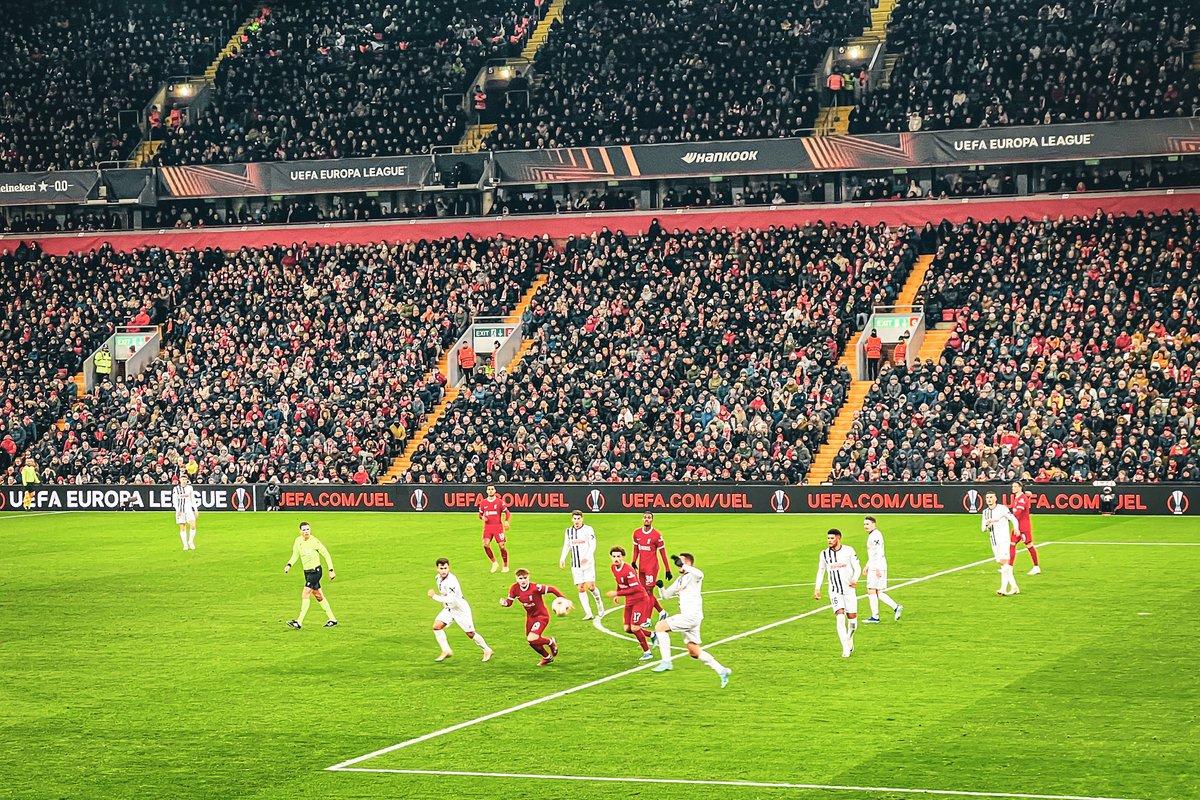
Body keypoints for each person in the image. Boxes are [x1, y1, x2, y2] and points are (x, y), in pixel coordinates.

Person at [652, 553, 731, 687]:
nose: (677, 564)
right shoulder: (680, 580)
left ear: (687, 563)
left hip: (690, 616)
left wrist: (683, 565)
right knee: (693, 651)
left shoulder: (694, 576)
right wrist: (660, 587)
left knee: (660, 627)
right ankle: (722, 670)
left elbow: (701, 574)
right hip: (692, 617)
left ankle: (666, 662)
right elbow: (665, 596)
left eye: (680, 562)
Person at [429, 558, 493, 663]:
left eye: (445, 568)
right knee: (436, 627)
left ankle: (487, 649)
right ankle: (446, 650)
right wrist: (443, 601)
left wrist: (434, 596)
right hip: (449, 608)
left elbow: (451, 598)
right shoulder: (438, 578)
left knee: (470, 634)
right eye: (441, 568)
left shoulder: (452, 581)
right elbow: (444, 594)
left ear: (449, 567)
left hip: (460, 610)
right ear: (437, 569)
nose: (444, 570)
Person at [500, 569, 565, 666]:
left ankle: (550, 642)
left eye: (525, 578)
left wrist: (563, 599)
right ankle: (547, 657)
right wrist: (504, 603)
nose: (523, 580)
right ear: (516, 579)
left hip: (541, 616)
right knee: (532, 642)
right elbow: (509, 603)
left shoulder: (535, 588)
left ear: (528, 577)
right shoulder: (514, 588)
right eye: (520, 578)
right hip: (530, 617)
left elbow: (552, 589)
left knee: (532, 638)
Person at [814, 528, 861, 658]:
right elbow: (821, 570)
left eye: (832, 538)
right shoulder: (824, 554)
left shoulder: (849, 550)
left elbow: (857, 567)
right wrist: (817, 588)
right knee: (840, 617)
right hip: (834, 591)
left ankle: (849, 638)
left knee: (852, 623)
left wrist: (855, 579)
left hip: (849, 590)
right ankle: (845, 648)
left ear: (838, 538)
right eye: (828, 538)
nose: (829, 541)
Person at [283, 522, 338, 629]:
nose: (306, 532)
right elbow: (295, 554)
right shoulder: (298, 541)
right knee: (318, 596)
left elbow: (326, 554)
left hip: (316, 572)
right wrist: (289, 565)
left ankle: (298, 622)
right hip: (307, 573)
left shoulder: (315, 541)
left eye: (308, 529)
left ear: (310, 530)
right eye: (304, 530)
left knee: (306, 593)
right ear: (300, 531)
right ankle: (332, 619)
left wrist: (331, 570)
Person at [605, 547, 655, 661]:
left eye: (618, 556)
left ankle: (647, 652)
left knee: (635, 628)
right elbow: (619, 581)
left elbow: (635, 589)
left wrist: (617, 593)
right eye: (614, 557)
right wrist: (618, 594)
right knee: (627, 629)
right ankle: (652, 635)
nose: (616, 559)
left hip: (640, 600)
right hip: (630, 601)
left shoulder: (628, 570)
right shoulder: (613, 567)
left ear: (623, 557)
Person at [559, 509, 603, 620]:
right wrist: (562, 558)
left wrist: (587, 558)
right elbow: (567, 545)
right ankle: (588, 613)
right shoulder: (568, 531)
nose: (577, 521)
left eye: (579, 518)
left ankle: (599, 604)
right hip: (575, 565)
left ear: (582, 519)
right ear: (572, 519)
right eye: (575, 519)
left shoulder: (588, 530)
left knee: (591, 586)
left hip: (588, 564)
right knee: (581, 588)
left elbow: (593, 545)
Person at [632, 511, 672, 621]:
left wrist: (667, 569)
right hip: (642, 567)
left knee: (649, 591)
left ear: (652, 520)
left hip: (652, 568)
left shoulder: (657, 535)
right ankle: (662, 612)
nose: (647, 519)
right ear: (642, 519)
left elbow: (663, 553)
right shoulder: (636, 533)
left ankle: (647, 619)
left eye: (649, 518)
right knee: (644, 593)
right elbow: (636, 549)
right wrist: (633, 561)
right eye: (645, 517)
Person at [861, 516, 901, 623]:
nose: (865, 526)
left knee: (871, 589)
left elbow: (879, 552)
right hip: (876, 565)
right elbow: (873, 554)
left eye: (867, 524)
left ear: (874, 524)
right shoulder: (873, 535)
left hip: (877, 566)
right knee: (878, 591)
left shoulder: (876, 535)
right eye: (864, 524)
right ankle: (896, 607)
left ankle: (875, 616)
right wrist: (867, 565)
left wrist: (877, 567)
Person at [983, 491, 1020, 596]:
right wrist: (987, 524)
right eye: (987, 497)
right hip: (994, 541)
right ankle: (1014, 587)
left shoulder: (1002, 508)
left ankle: (1003, 588)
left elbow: (1013, 518)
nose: (989, 499)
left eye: (991, 497)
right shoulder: (985, 512)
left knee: (1004, 562)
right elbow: (983, 529)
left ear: (995, 499)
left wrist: (1016, 528)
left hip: (1003, 539)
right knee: (1003, 564)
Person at [477, 484, 512, 573]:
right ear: (486, 491)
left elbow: (507, 513)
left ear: (495, 491)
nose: (490, 490)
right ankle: (494, 562)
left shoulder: (500, 502)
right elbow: (480, 514)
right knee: (485, 545)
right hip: (488, 527)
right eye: (489, 489)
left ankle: (505, 565)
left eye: (492, 489)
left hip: (498, 527)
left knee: (502, 546)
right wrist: (482, 518)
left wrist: (507, 521)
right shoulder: (483, 503)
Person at [1009, 482, 1041, 575]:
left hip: (1023, 527)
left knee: (1029, 545)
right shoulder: (1017, 497)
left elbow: (1018, 512)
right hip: (1017, 526)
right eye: (1012, 486)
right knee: (1012, 544)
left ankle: (1036, 566)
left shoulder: (1022, 498)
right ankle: (1009, 567)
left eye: (1015, 486)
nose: (1013, 488)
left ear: (1020, 488)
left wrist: (1008, 517)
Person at [171, 475, 200, 550]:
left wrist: (196, 510)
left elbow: (192, 499)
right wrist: (178, 510)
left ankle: (191, 541)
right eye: (182, 479)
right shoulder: (176, 489)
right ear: (180, 480)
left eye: (185, 479)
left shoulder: (190, 488)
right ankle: (185, 545)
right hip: (180, 510)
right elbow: (174, 501)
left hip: (189, 509)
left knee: (193, 525)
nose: (184, 481)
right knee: (182, 527)